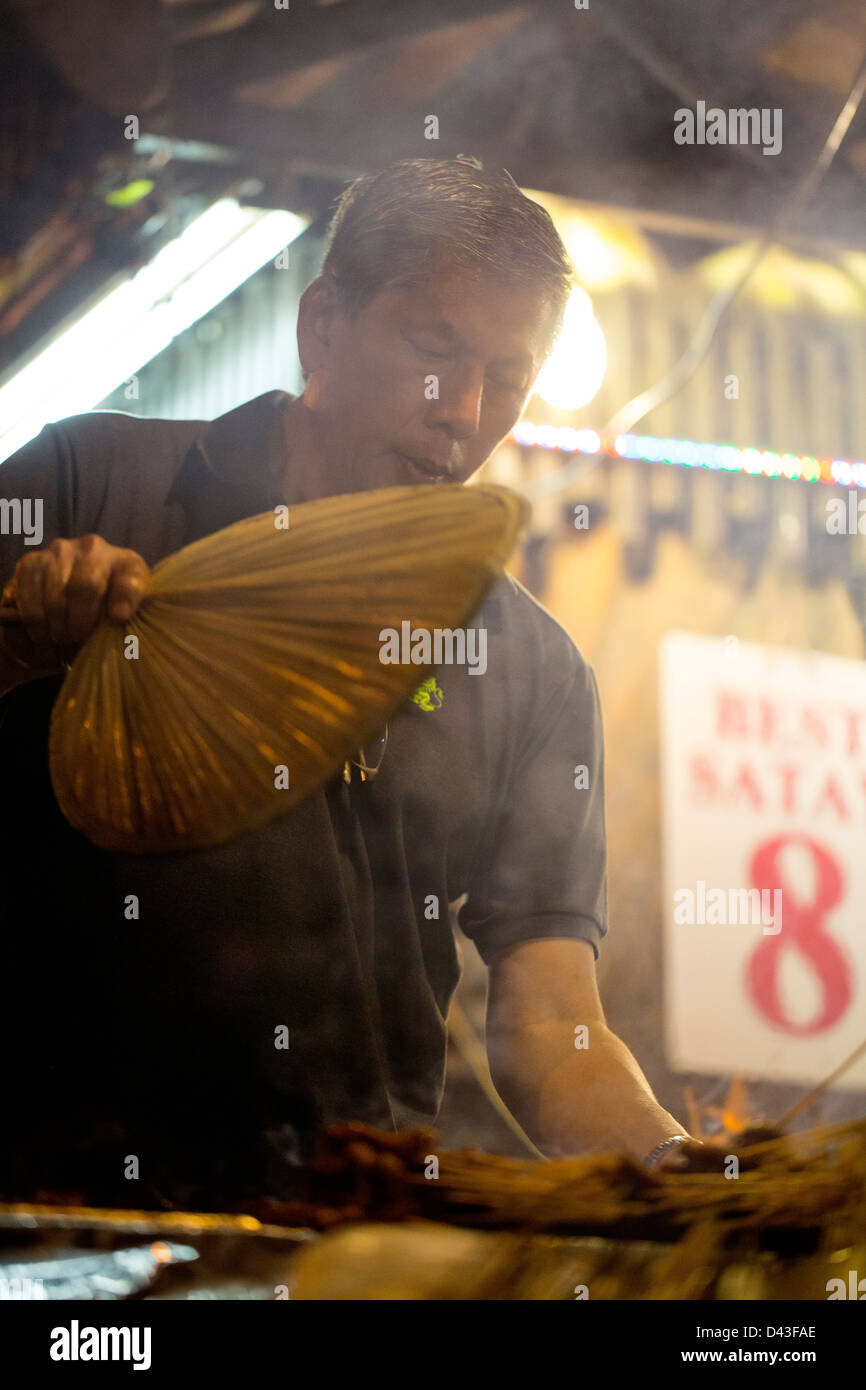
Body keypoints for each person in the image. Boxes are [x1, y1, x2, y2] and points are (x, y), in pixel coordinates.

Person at [0, 158, 690, 1209]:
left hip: (344, 1226)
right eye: (432, 351)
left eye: (506, 376)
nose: (462, 411)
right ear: (323, 325)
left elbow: (550, 1019)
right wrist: (22, 646)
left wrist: (681, 1172)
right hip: (53, 1213)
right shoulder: (89, 484)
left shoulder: (528, 668)